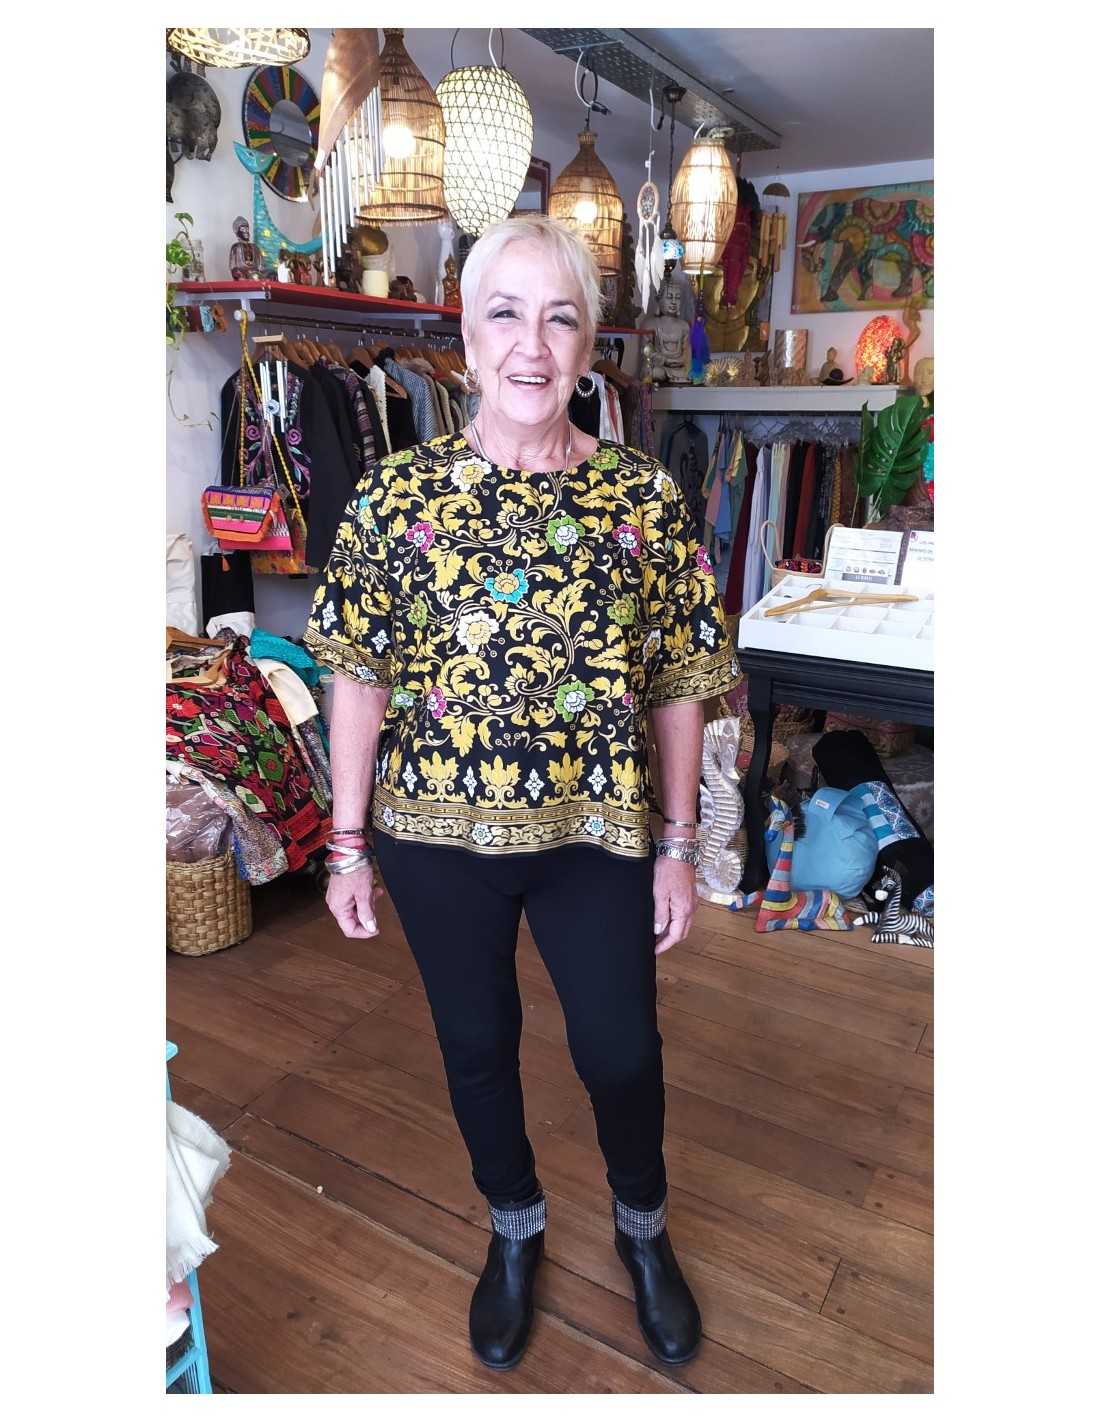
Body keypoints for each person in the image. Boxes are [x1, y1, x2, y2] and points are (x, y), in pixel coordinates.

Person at [303, 214, 739, 1372]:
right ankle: (513, 1227)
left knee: (619, 1051)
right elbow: (354, 674)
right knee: (475, 1045)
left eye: (558, 318)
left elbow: (680, 683)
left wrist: (679, 844)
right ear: (466, 336)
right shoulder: (393, 495)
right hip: (432, 838)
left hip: (595, 833)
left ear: (587, 345)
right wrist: (345, 844)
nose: (531, 345)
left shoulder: (641, 497)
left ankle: (641, 1229)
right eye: (505, 314)